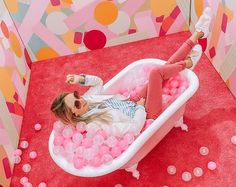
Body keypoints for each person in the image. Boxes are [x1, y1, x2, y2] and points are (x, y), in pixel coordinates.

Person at [51, 7, 212, 137]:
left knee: (165, 69)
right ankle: (188, 61)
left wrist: (80, 79)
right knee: (157, 73)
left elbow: (99, 82)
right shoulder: (95, 126)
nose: (82, 99)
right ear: (73, 114)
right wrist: (141, 109)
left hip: (132, 101)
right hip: (147, 117)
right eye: (77, 102)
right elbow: (133, 129)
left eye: (77, 95)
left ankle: (198, 34)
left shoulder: (89, 100)